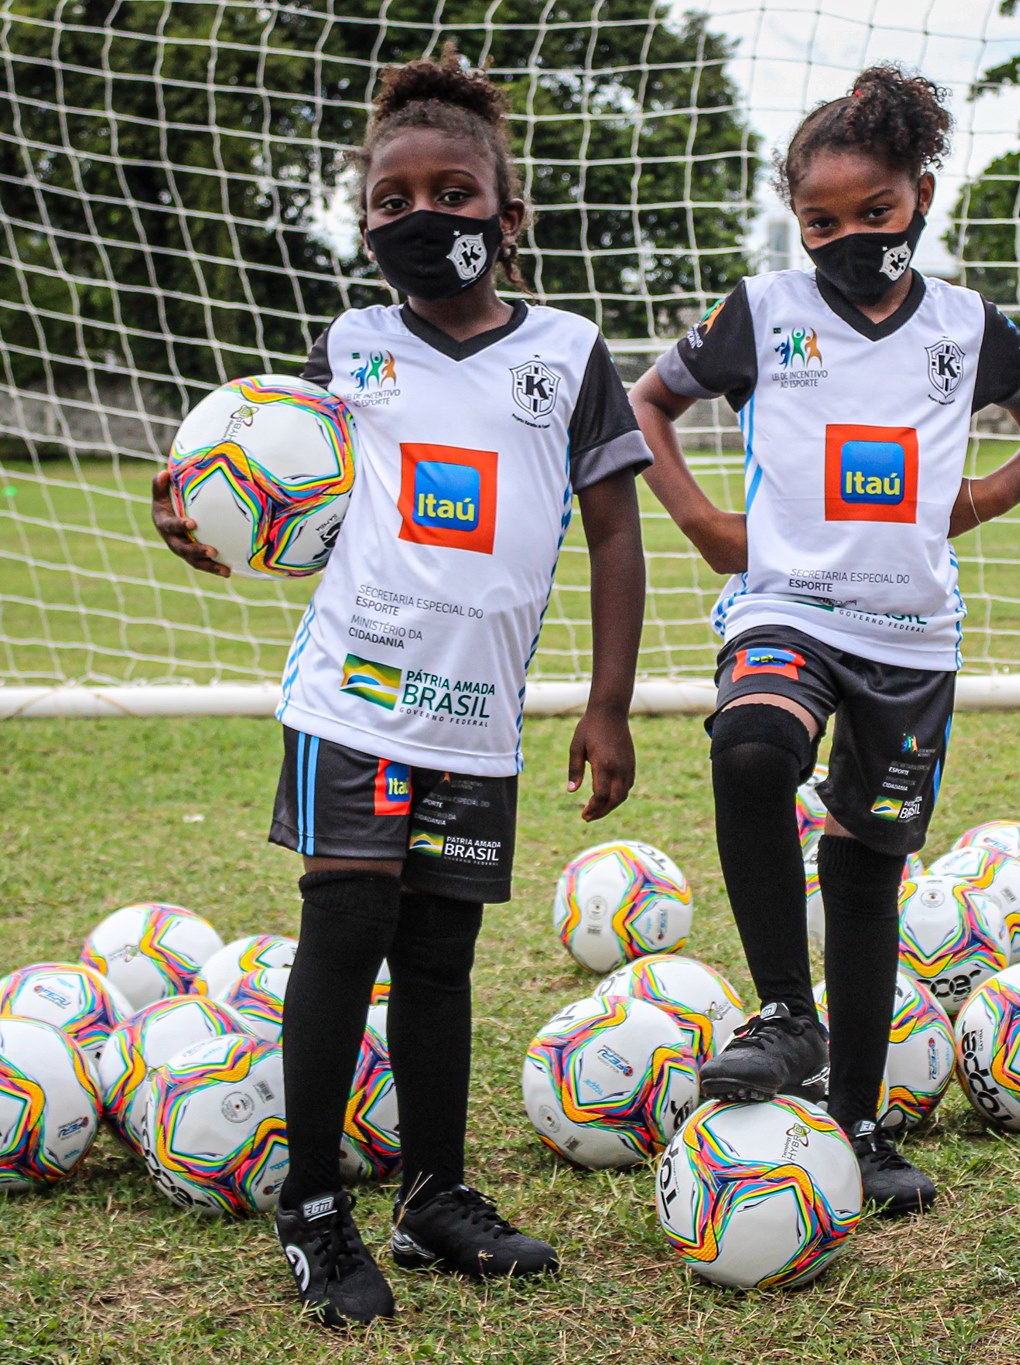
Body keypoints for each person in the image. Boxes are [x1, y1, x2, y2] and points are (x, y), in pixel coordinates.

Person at [152, 51, 650, 1325]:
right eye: (391, 203)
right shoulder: (351, 348)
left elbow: (609, 535)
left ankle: (432, 1198)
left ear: (506, 211)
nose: (424, 218)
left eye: (454, 192)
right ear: (367, 224)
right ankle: (312, 1205)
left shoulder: (571, 356)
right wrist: (200, 516)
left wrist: (606, 703)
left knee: (438, 958)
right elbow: (285, 488)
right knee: (345, 930)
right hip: (352, 701)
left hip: (477, 722)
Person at [629, 65, 1020, 1217]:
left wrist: (971, 502)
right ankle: (785, 1009)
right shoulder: (762, 311)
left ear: (919, 197)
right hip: (786, 608)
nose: (845, 237)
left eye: (871, 214)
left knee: (866, 874)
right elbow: (648, 400)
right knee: (749, 750)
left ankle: (859, 1125)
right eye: (819, 220)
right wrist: (697, 519)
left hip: (909, 639)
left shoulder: (965, 326)